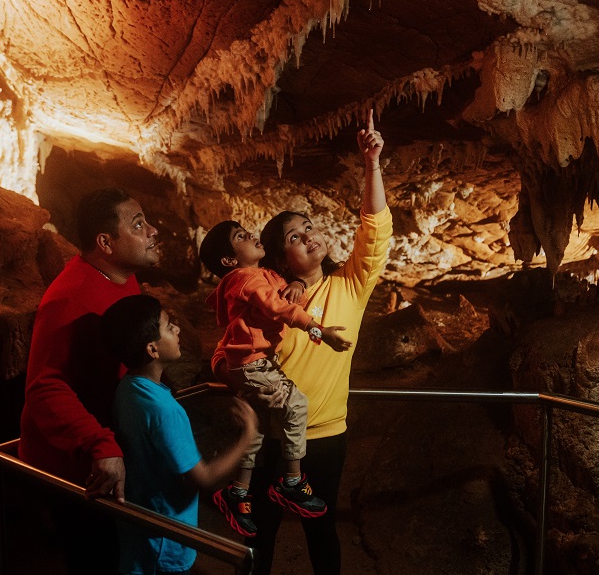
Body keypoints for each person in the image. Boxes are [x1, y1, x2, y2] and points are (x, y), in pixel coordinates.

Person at [230, 109, 392, 575]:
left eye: (310, 228)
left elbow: (375, 235)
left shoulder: (350, 286)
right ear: (283, 256)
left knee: (320, 530)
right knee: (260, 528)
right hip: (268, 431)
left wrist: (372, 165)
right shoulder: (267, 298)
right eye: (295, 237)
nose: (309, 237)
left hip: (325, 435)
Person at [18, 187, 159, 574]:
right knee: (97, 559)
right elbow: (45, 387)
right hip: (78, 467)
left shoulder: (121, 278)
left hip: (110, 441)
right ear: (105, 242)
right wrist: (100, 444)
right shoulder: (71, 298)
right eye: (138, 224)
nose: (153, 231)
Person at [198, 221, 353, 538]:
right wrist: (317, 329)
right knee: (296, 404)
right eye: (241, 237)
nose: (251, 235)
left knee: (255, 428)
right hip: (251, 363)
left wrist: (295, 281)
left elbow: (281, 290)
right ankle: (292, 481)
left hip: (255, 362)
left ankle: (237, 491)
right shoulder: (243, 279)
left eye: (247, 230)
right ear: (229, 260)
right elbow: (278, 307)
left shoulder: (264, 275)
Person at [102, 294, 259, 575]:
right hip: (165, 542)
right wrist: (248, 434)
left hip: (140, 533)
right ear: (152, 349)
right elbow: (204, 478)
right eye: (168, 326)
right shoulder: (164, 411)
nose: (177, 329)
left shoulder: (127, 388)